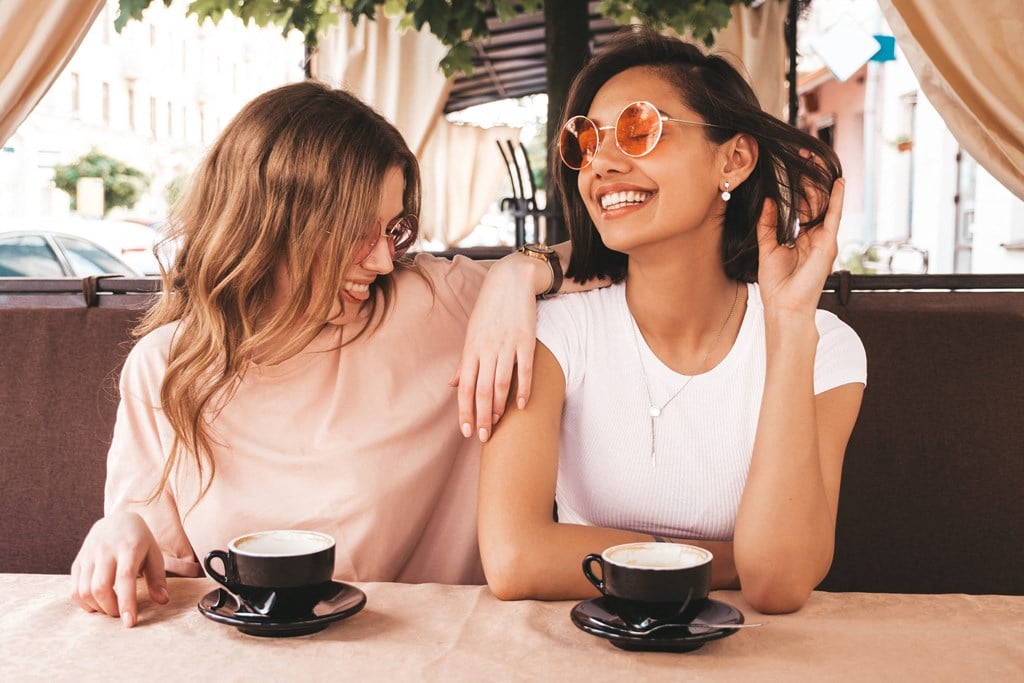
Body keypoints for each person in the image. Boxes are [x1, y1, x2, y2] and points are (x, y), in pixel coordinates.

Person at [70, 80, 590, 627]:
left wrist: (518, 272)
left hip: (435, 653)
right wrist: (121, 529)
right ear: (274, 221)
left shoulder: (437, 301)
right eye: (358, 232)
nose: (386, 261)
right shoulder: (166, 367)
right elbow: (165, 577)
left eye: (394, 231)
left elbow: (629, 254)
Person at [477, 28, 866, 615]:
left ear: (732, 159)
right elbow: (514, 558)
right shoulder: (554, 334)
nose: (601, 164)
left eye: (639, 129)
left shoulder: (825, 348)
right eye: (585, 141)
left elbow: (778, 583)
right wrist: (726, 559)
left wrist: (788, 326)